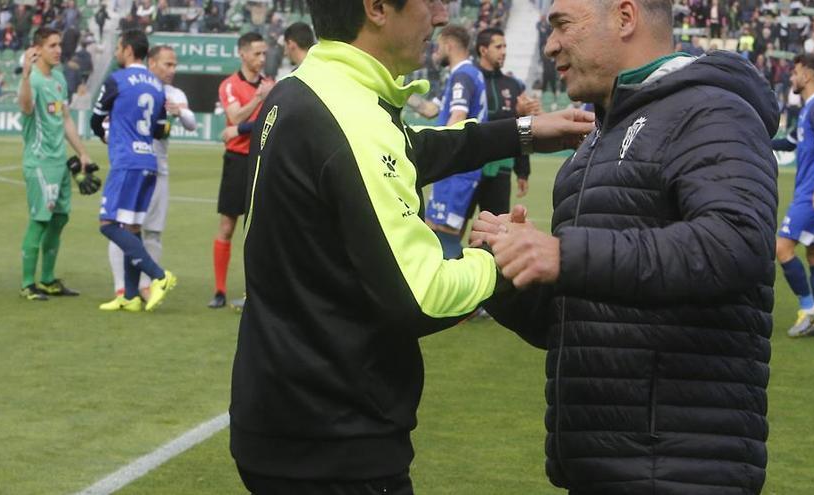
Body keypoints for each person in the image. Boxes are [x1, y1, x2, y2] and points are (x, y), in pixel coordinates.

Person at [228, 0, 595, 493]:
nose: (442, 15)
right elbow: (422, 294)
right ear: (378, 8)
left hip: (281, 415)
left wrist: (522, 132)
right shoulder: (352, 122)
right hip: (335, 440)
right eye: (430, 1)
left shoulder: (304, 89)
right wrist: (501, 255)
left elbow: (407, 146)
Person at [470, 0, 779, 493]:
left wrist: (564, 254)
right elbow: (584, 325)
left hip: (680, 467)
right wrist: (508, 275)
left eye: (562, 25)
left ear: (626, 17)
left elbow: (735, 244)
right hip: (601, 463)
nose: (549, 44)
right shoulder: (596, 141)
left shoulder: (711, 109)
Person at [102, 45, 197, 307]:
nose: (172, 70)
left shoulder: (174, 94)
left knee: (151, 232)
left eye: (174, 65)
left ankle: (145, 285)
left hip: (157, 170)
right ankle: (123, 289)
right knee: (124, 226)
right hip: (136, 164)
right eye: (167, 64)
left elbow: (191, 123)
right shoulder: (133, 88)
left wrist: (178, 111)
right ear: (151, 63)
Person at [91, 30, 177, 312]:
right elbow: (160, 129)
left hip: (126, 163)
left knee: (108, 224)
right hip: (148, 163)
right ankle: (129, 296)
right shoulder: (156, 85)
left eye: (118, 47)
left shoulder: (117, 79)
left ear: (128, 50)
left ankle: (158, 276)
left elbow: (96, 118)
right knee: (132, 227)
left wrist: (104, 134)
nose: (117, 52)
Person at [17, 27, 93, 301]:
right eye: (52, 45)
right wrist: (25, 75)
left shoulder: (59, 79)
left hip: (60, 162)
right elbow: (26, 108)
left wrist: (82, 152)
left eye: (59, 44)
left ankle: (48, 279)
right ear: (37, 49)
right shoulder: (33, 80)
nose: (59, 50)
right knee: (39, 220)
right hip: (40, 162)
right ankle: (28, 283)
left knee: (59, 218)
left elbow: (66, 120)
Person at [771, 54, 814, 338]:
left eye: (796, 72)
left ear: (808, 75)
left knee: (782, 248)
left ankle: (808, 307)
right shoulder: (808, 109)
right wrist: (755, 140)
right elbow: (789, 143)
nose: (792, 77)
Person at [209, 32, 274, 309]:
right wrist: (258, 98)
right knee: (227, 225)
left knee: (258, 230)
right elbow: (234, 116)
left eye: (264, 54)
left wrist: (263, 97)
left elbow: (265, 121)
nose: (261, 59)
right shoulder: (230, 85)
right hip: (236, 160)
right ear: (243, 54)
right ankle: (220, 291)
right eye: (257, 53)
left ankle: (255, 292)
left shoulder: (271, 85)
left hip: (261, 160)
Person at [424, 23, 488, 259]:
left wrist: (438, 151)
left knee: (445, 232)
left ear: (449, 45)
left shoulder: (463, 75)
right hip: (455, 168)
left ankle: (459, 285)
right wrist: (401, 93)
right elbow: (430, 110)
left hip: (458, 169)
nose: (436, 52)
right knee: (432, 226)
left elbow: (458, 116)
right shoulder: (462, 75)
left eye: (438, 46)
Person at [470, 27, 539, 218]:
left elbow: (523, 126)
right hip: (467, 167)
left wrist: (523, 171)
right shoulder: (470, 78)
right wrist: (512, 115)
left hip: (501, 169)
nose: (504, 51)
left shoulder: (514, 85)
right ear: (483, 50)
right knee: (453, 227)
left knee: (494, 231)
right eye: (498, 47)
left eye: (505, 46)